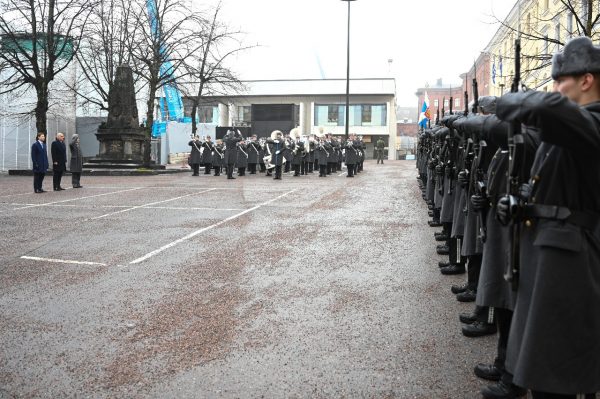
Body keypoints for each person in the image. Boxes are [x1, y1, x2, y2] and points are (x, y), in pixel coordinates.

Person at [495, 36, 600, 399]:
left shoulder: (591, 122)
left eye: (561, 79)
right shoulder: (570, 129)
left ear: (587, 80)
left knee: (557, 376)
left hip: (571, 265)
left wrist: (507, 101)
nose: (555, 87)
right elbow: (550, 184)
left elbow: (552, 106)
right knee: (544, 370)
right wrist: (520, 203)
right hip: (548, 258)